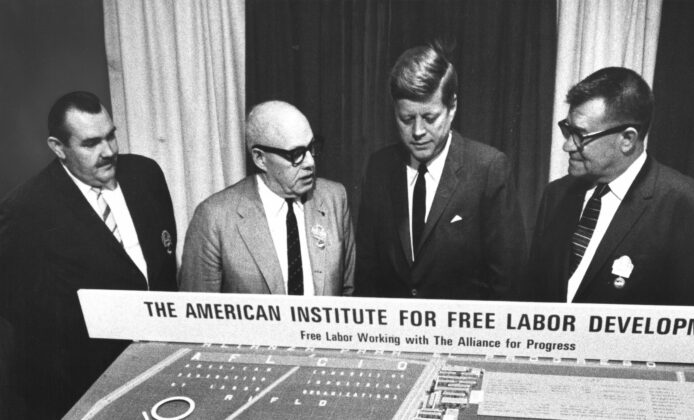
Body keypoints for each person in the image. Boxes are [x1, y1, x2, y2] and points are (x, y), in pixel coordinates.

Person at [0, 91, 178, 418]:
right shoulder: (25, 211)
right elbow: (27, 320)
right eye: (91, 143)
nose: (108, 151)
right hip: (85, 388)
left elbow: (165, 269)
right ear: (58, 148)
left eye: (111, 136)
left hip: (160, 372)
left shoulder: (146, 175)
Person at [528, 67, 694, 306]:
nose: (568, 146)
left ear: (627, 139)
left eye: (580, 134)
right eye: (568, 130)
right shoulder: (556, 194)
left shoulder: (690, 208)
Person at [354, 41, 527, 300]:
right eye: (406, 119)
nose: (418, 132)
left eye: (430, 118)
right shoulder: (379, 168)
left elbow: (508, 285)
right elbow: (367, 273)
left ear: (452, 106)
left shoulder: (488, 169)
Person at [180, 101, 355, 296]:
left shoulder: (334, 199)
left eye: (312, 147)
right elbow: (196, 315)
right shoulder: (214, 218)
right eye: (296, 154)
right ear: (260, 158)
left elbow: (349, 295)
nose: (310, 162)